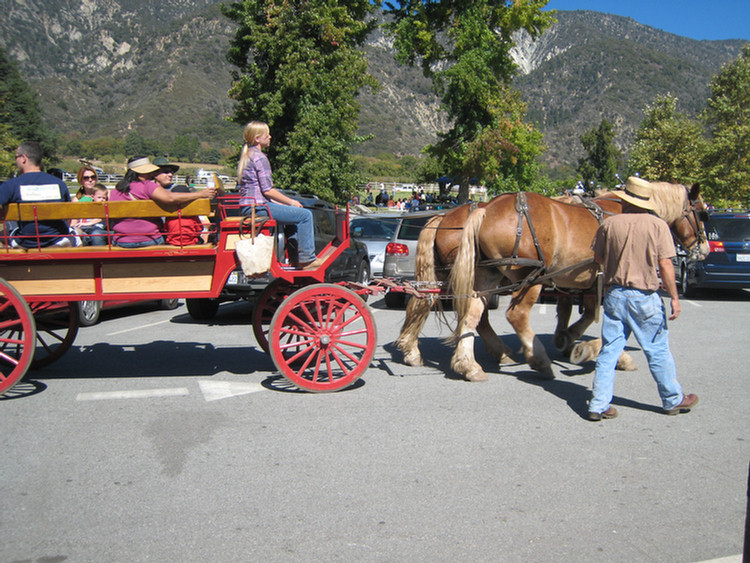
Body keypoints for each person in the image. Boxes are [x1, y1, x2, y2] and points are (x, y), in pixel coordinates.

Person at [587, 176, 698, 421]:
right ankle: (672, 399)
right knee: (657, 350)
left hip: (615, 295)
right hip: (644, 296)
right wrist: (675, 298)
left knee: (609, 351)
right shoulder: (657, 225)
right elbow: (666, 264)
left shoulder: (609, 224)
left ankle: (598, 404)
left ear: (626, 200)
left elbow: (597, 260)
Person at [236, 121, 318, 268]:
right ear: (257, 138)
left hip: (251, 206)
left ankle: (296, 258)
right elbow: (268, 190)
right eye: (266, 135)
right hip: (258, 207)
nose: (270, 137)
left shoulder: (248, 155)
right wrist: (291, 202)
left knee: (294, 217)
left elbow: (263, 192)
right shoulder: (260, 157)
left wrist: (284, 204)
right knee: (305, 215)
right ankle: (307, 259)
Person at [110, 156, 215, 248]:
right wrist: (200, 194)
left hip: (121, 241)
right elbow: (170, 198)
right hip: (150, 239)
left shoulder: (116, 190)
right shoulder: (147, 186)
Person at [0, 141, 73, 248]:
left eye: (16, 157)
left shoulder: (11, 185)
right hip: (57, 241)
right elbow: (69, 216)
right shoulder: (59, 184)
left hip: (24, 242)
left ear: (24, 158)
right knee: (78, 234)